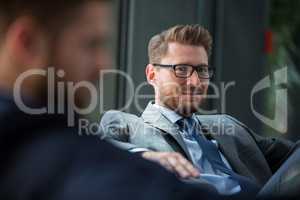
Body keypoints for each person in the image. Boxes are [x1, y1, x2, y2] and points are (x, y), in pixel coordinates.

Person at [0, 2, 221, 200]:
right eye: (91, 44)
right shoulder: (63, 158)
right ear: (27, 43)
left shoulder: (229, 130)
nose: (104, 64)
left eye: (201, 70)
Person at [100, 24, 300, 198]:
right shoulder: (129, 125)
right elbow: (101, 152)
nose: (195, 82)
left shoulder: (229, 126)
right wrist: (148, 156)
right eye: (182, 69)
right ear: (152, 74)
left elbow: (293, 157)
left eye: (202, 70)